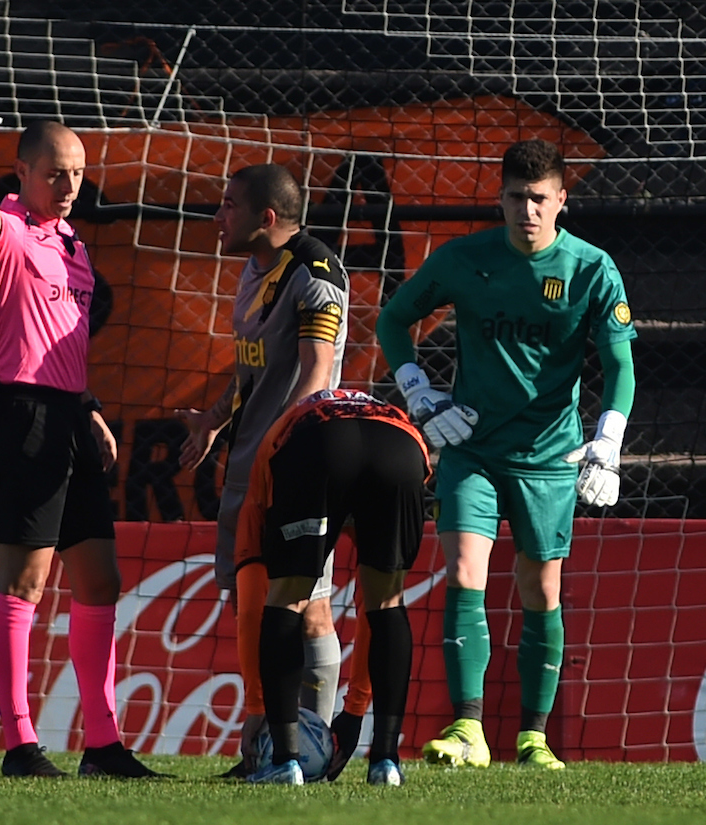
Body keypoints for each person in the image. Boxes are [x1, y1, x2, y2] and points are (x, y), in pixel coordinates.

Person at [376, 138, 637, 770]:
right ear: (500, 197)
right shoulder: (464, 259)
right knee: (465, 569)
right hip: (473, 448)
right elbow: (392, 320)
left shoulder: (592, 269)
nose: (528, 210)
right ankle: (468, 729)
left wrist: (608, 442)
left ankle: (534, 736)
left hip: (550, 457)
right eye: (517, 197)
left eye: (540, 199)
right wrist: (419, 393)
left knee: (539, 589)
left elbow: (621, 363)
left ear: (562, 201)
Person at [0, 90, 160, 779]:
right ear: (23, 172)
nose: (69, 184)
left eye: (77, 172)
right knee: (27, 577)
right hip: (19, 415)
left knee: (101, 577)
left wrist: (90, 406)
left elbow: (59, 342)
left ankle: (102, 745)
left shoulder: (72, 243)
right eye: (55, 172)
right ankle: (19, 744)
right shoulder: (4, 227)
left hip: (69, 414)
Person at [177, 164, 349, 776]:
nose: (218, 216)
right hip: (246, 465)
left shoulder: (316, 275)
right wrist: (217, 419)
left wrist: (284, 440)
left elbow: (316, 374)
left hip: (298, 466)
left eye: (228, 205)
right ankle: (262, 749)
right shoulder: (252, 270)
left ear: (266, 218)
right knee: (251, 612)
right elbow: (252, 369)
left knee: (308, 610)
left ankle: (315, 748)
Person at [234, 389, 428, 785]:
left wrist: (257, 707)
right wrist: (355, 711)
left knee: (286, 597)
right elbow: (371, 614)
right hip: (402, 446)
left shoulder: (273, 447)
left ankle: (285, 762)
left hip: (318, 445)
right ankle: (386, 762)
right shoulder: (385, 415)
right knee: (387, 602)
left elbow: (256, 599)